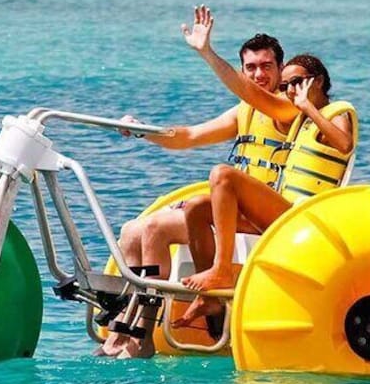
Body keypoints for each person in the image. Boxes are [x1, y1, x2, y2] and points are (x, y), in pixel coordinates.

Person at [97, 32, 291, 359]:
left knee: (157, 228)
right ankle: (123, 327)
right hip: (234, 213)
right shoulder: (244, 112)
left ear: (281, 68)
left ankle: (144, 333)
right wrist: (145, 130)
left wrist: (207, 53)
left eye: (266, 66)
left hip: (263, 219)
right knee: (133, 230)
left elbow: (249, 94)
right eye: (251, 67)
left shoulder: (285, 109)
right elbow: (188, 137)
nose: (259, 75)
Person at [173, 5, 358, 326]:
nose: (290, 91)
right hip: (281, 211)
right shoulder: (297, 116)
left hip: (305, 219)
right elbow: (190, 135)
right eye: (286, 86)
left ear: (318, 82)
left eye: (297, 83)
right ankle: (211, 301)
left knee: (222, 174)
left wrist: (306, 108)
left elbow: (344, 144)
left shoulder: (336, 111)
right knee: (196, 208)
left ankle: (221, 270)